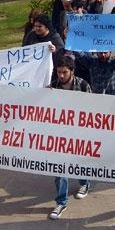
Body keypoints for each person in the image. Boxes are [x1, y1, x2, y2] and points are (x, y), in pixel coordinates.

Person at [48, 56, 92, 219]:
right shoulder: (53, 86)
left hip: (79, 134)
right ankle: (61, 202)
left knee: (80, 162)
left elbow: (91, 109)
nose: (60, 75)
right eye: (58, 72)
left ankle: (84, 182)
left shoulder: (83, 85)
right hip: (59, 135)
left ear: (72, 71)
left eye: (64, 72)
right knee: (59, 168)